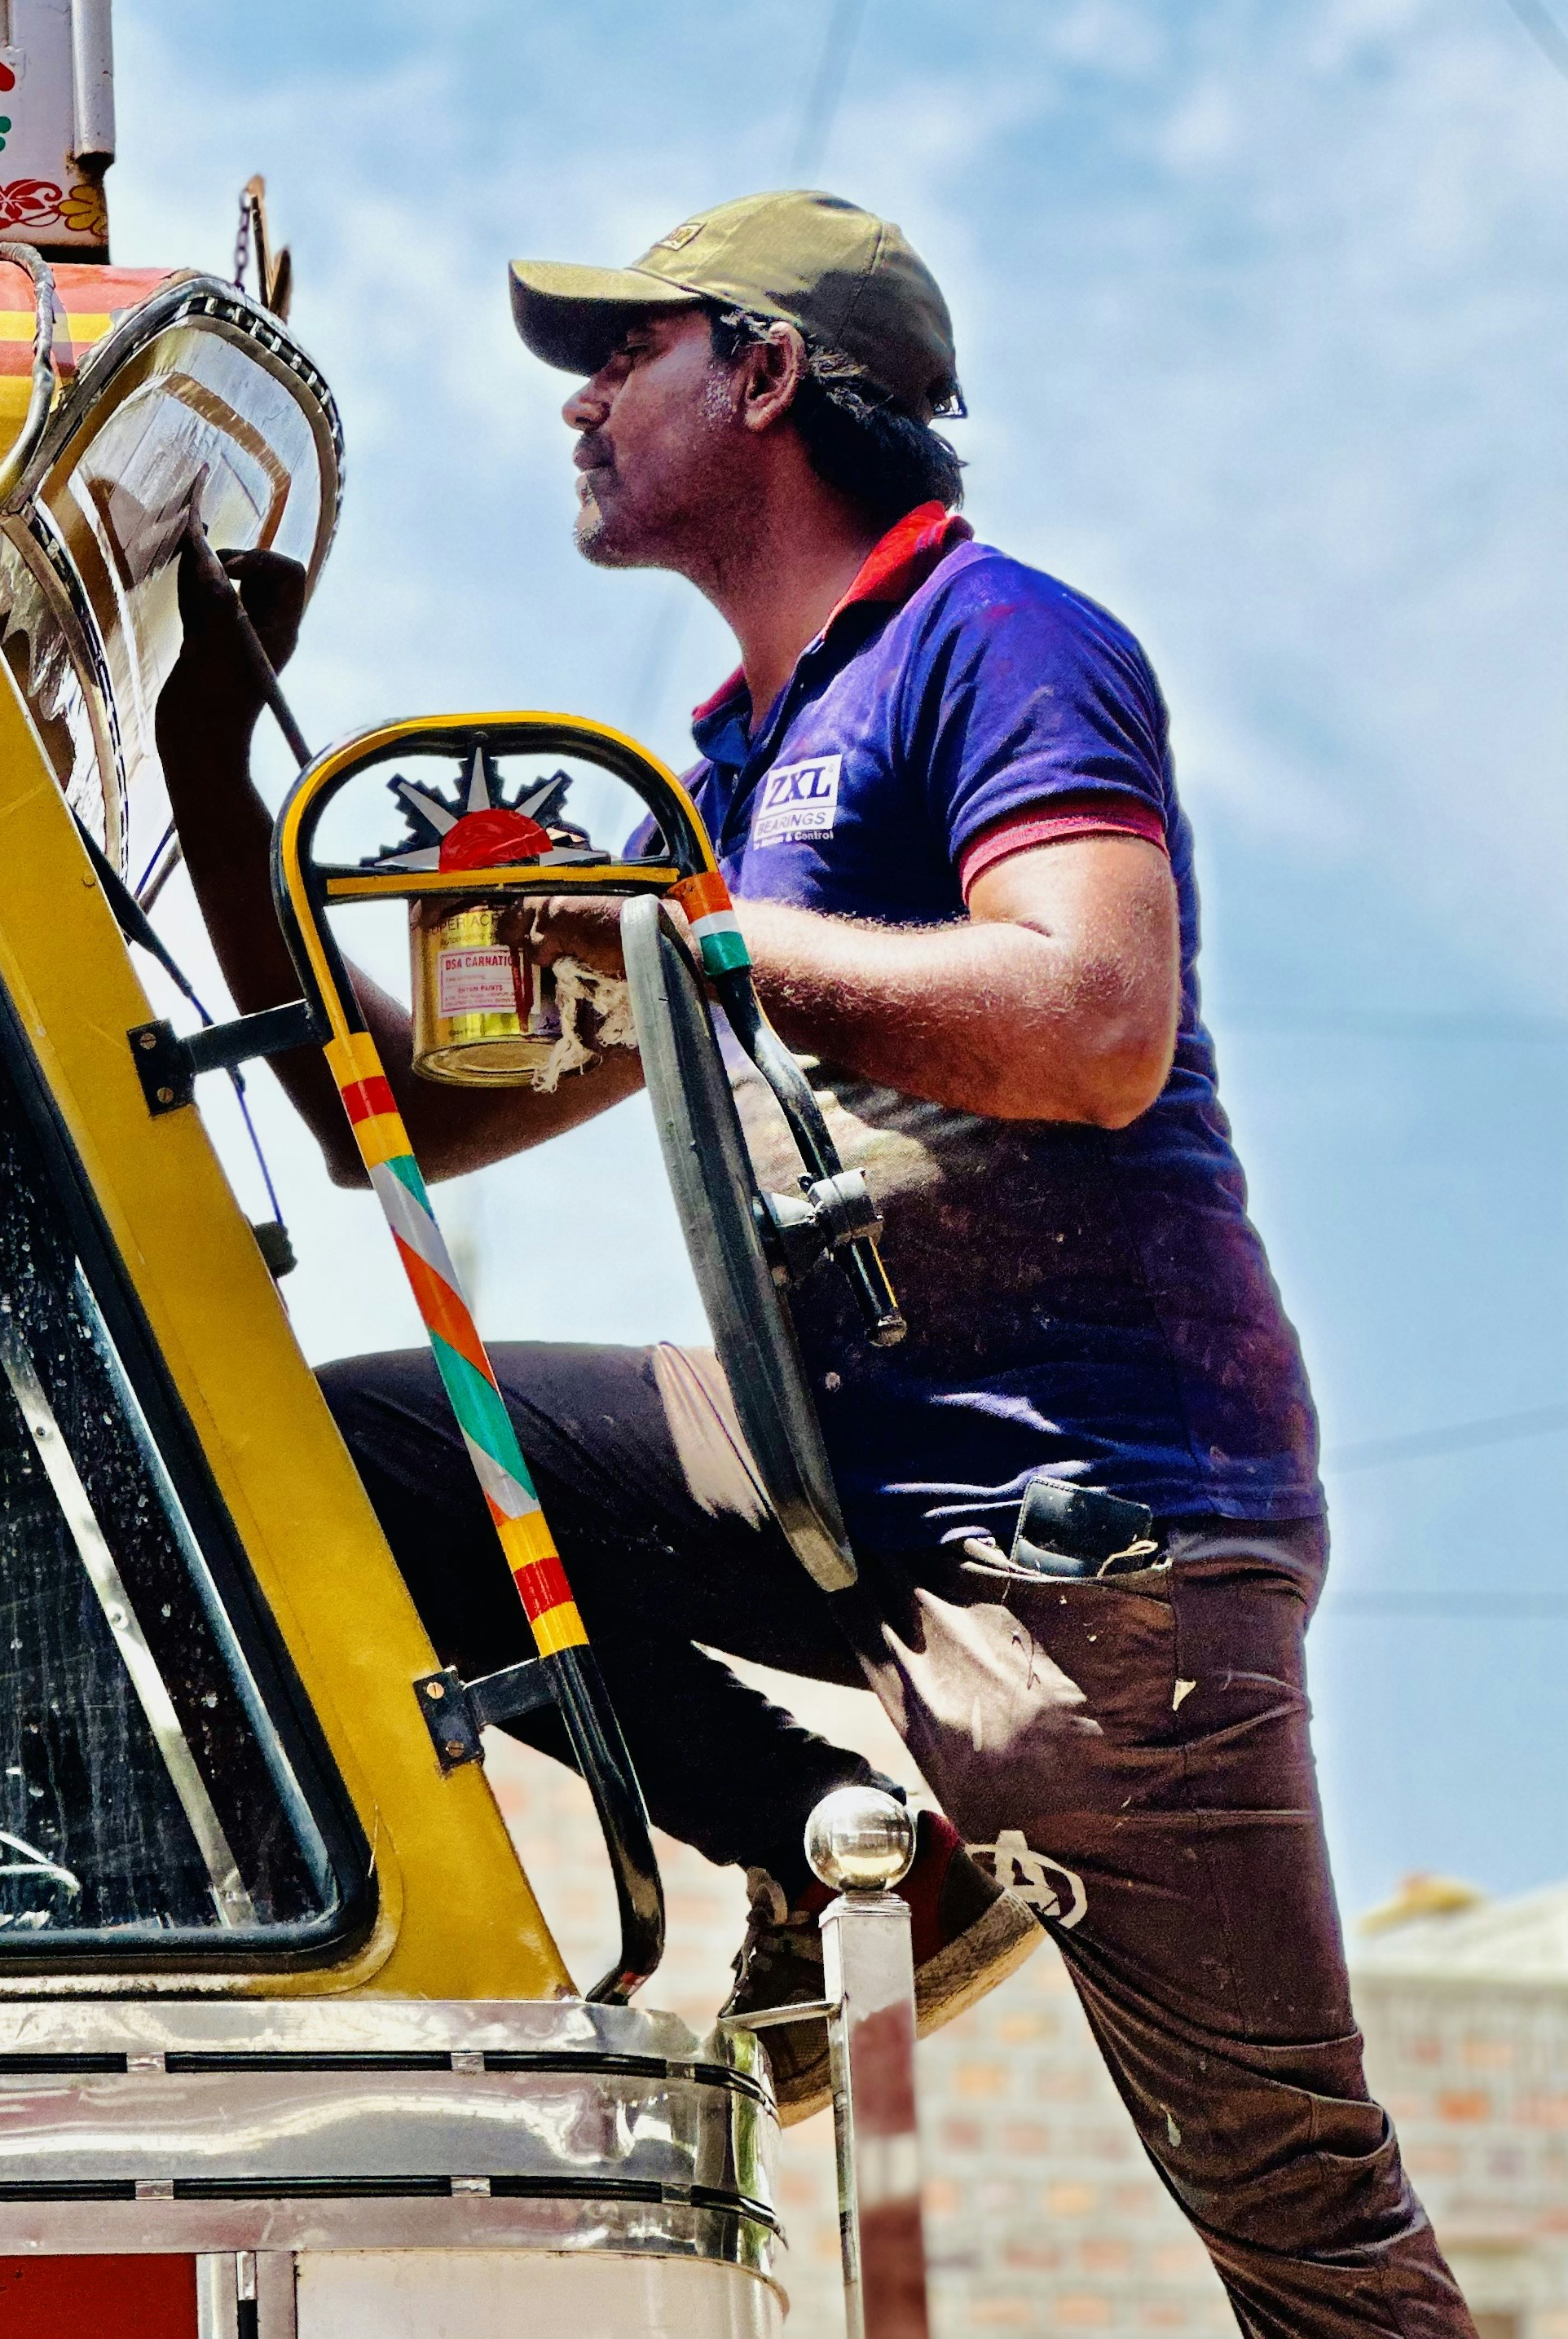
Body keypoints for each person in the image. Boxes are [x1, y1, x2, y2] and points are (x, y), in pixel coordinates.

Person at [156, 190, 1472, 2337]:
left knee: (1305, 2227)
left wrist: (735, 951)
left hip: (1096, 1550)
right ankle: (833, 1830)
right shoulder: (720, 769)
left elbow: (1097, 1012)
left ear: (765, 374)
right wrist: (214, 744)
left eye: (624, 350)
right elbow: (401, 1100)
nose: (578, 401)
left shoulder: (1004, 640)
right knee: (367, 1454)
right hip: (833, 1467)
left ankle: (919, 1834)